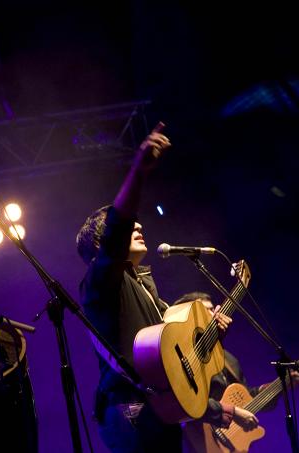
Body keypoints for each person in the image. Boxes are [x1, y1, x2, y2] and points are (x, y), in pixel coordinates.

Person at [76, 126, 254, 452]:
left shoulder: (149, 292)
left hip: (158, 414)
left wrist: (211, 342)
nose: (139, 225)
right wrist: (138, 170)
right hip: (132, 411)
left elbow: (173, 374)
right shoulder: (100, 284)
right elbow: (118, 227)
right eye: (130, 226)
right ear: (102, 245)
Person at [174, 291, 299, 453]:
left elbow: (245, 398)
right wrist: (232, 412)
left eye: (212, 309)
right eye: (205, 310)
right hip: (193, 437)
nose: (215, 314)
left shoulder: (228, 359)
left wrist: (280, 386)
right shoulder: (184, 355)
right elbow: (186, 400)